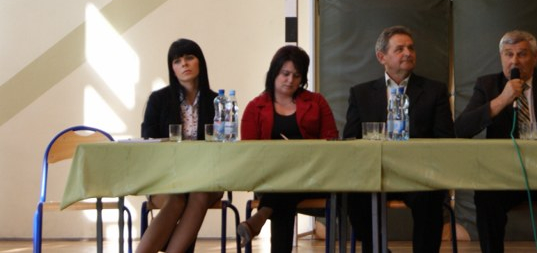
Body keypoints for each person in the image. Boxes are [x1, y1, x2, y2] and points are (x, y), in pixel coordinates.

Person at [455, 30, 537, 253]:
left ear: (535, 57)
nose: (514, 61)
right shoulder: (488, 85)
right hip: (505, 174)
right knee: (486, 197)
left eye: (522, 54)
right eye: (508, 54)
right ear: (501, 57)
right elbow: (461, 129)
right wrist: (502, 100)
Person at [343, 25, 455, 253]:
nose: (408, 53)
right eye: (400, 49)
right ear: (381, 57)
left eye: (411, 48)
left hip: (418, 174)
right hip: (375, 173)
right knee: (355, 197)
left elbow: (446, 138)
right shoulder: (361, 93)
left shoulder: (434, 91)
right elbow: (350, 139)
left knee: (431, 198)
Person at [237, 45, 339, 252]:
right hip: (270, 177)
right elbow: (249, 152)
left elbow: (332, 142)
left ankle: (262, 215)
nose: (290, 80)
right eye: (285, 73)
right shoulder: (255, 107)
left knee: (283, 190)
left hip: (313, 176)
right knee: (283, 189)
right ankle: (265, 212)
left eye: (296, 75)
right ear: (274, 72)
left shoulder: (317, 102)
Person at [139, 38, 223, 253]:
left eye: (189, 58)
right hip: (167, 177)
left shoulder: (218, 102)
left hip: (206, 177)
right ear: (172, 68)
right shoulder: (158, 99)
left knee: (199, 195)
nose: (184, 64)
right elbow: (148, 141)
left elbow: (224, 146)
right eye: (177, 61)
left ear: (200, 62)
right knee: (176, 200)